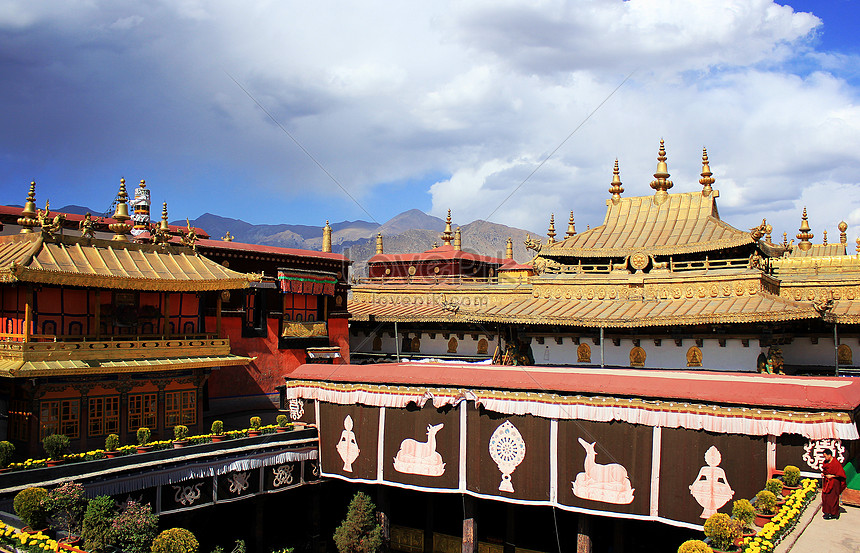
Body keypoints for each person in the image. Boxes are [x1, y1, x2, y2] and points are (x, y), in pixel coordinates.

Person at [821, 449, 847, 519]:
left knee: (832, 498)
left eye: (825, 456)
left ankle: (833, 513)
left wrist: (832, 476)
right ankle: (826, 512)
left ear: (829, 455)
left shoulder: (836, 463)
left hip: (834, 483)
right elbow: (825, 470)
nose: (825, 458)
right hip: (827, 482)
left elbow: (841, 474)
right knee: (825, 497)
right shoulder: (826, 462)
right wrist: (824, 474)